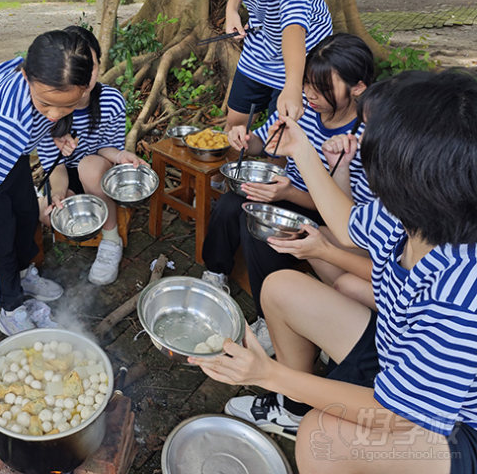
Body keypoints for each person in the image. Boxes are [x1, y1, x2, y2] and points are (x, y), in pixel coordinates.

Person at [190, 70, 477, 474]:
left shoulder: (460, 294)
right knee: (280, 288)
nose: (365, 146)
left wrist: (268, 374)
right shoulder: (412, 215)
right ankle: (292, 409)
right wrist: (302, 150)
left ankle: (304, 413)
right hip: (396, 357)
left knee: (320, 437)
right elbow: (345, 224)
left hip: (448, 426)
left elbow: (398, 415)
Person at [202, 33, 374, 352]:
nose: (310, 94)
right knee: (230, 203)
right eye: (306, 83)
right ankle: (215, 272)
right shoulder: (303, 109)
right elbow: (267, 145)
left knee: (262, 230)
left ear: (358, 88)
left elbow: (352, 215)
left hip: (327, 214)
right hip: (286, 190)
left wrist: (290, 195)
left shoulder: (363, 137)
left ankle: (270, 318)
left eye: (322, 88)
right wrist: (245, 138)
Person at [0, 30, 94, 336]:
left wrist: (55, 133)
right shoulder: (10, 123)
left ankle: (24, 274)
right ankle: (11, 306)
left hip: (12, 152)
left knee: (27, 210)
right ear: (26, 77)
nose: (55, 114)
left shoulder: (47, 70)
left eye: (67, 106)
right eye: (46, 105)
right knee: (0, 231)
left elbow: (52, 111)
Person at [37, 26, 142, 285]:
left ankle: (111, 240)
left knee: (89, 166)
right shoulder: (49, 107)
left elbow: (107, 147)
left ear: (100, 66)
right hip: (64, 175)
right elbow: (55, 166)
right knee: (46, 212)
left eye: (91, 67)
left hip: (97, 172)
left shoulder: (111, 101)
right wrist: (58, 193)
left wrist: (120, 156)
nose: (85, 76)